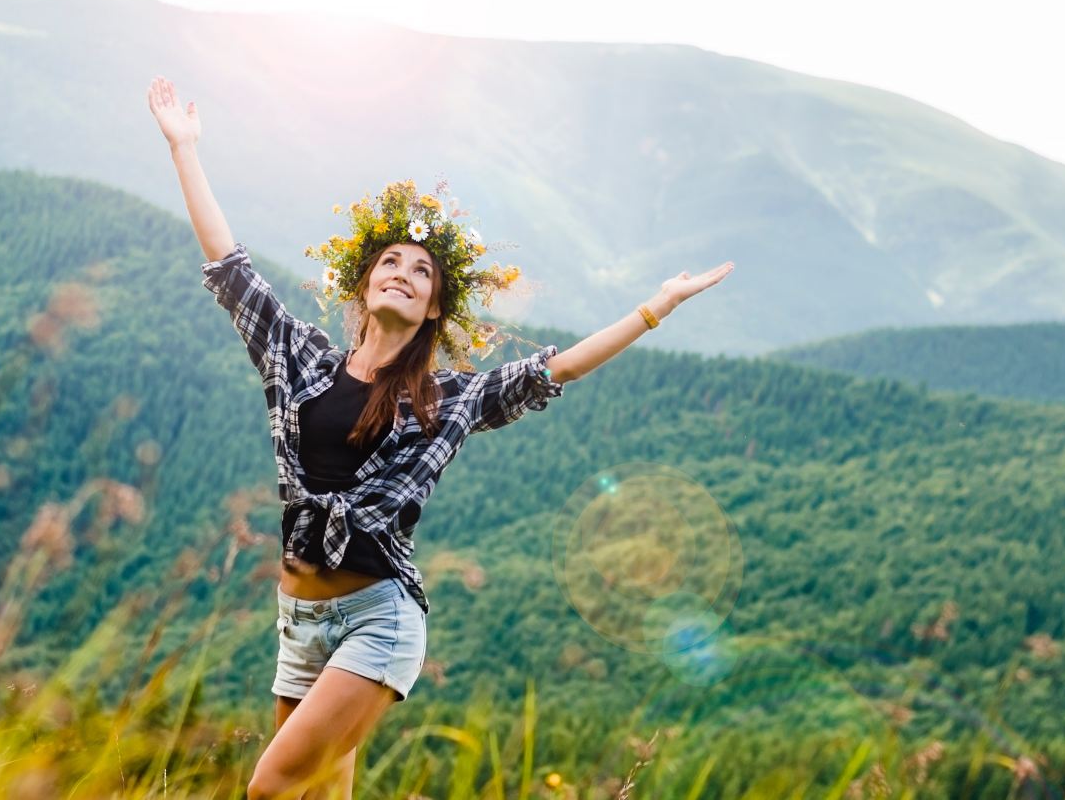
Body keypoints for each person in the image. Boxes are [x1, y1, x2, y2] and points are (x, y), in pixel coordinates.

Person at [147, 74, 734, 799]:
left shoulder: (446, 400)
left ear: (430, 310)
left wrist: (654, 308)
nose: (403, 272)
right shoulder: (297, 357)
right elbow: (229, 267)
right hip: (297, 624)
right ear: (364, 285)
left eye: (421, 271)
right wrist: (185, 148)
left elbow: (557, 368)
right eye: (390, 261)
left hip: (377, 620)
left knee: (269, 789)